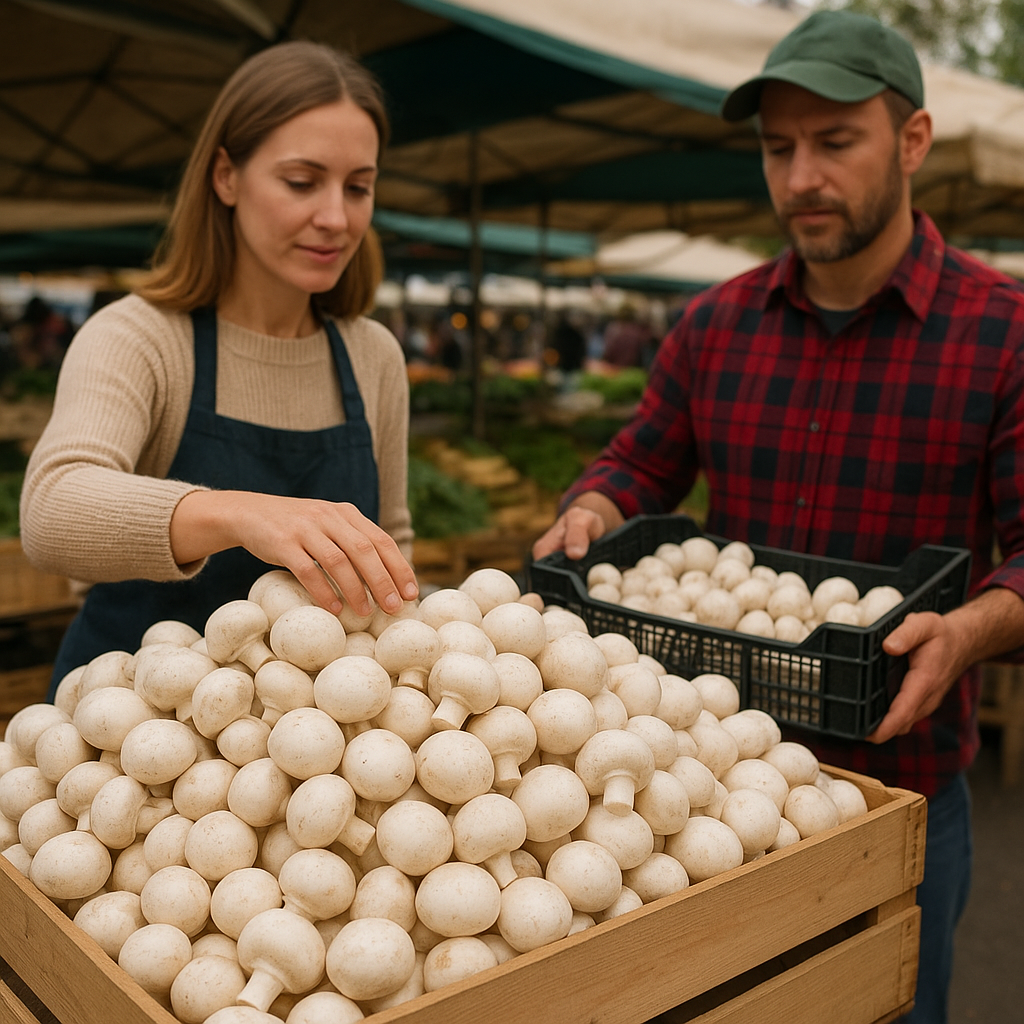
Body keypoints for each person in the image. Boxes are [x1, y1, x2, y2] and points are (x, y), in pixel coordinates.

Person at [533, 11, 1024, 1024]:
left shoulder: (1003, 333)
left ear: (912, 141)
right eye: (777, 147)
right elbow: (640, 461)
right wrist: (594, 505)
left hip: (900, 787)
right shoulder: (714, 325)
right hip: (708, 784)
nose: (800, 176)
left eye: (834, 142)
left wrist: (970, 628)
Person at [19, 41, 419, 693]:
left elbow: (392, 549)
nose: (336, 218)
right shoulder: (139, 336)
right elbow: (51, 510)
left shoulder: (372, 355)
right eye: (301, 182)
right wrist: (239, 514)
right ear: (226, 176)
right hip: (127, 742)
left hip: (308, 749)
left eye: (359, 187)